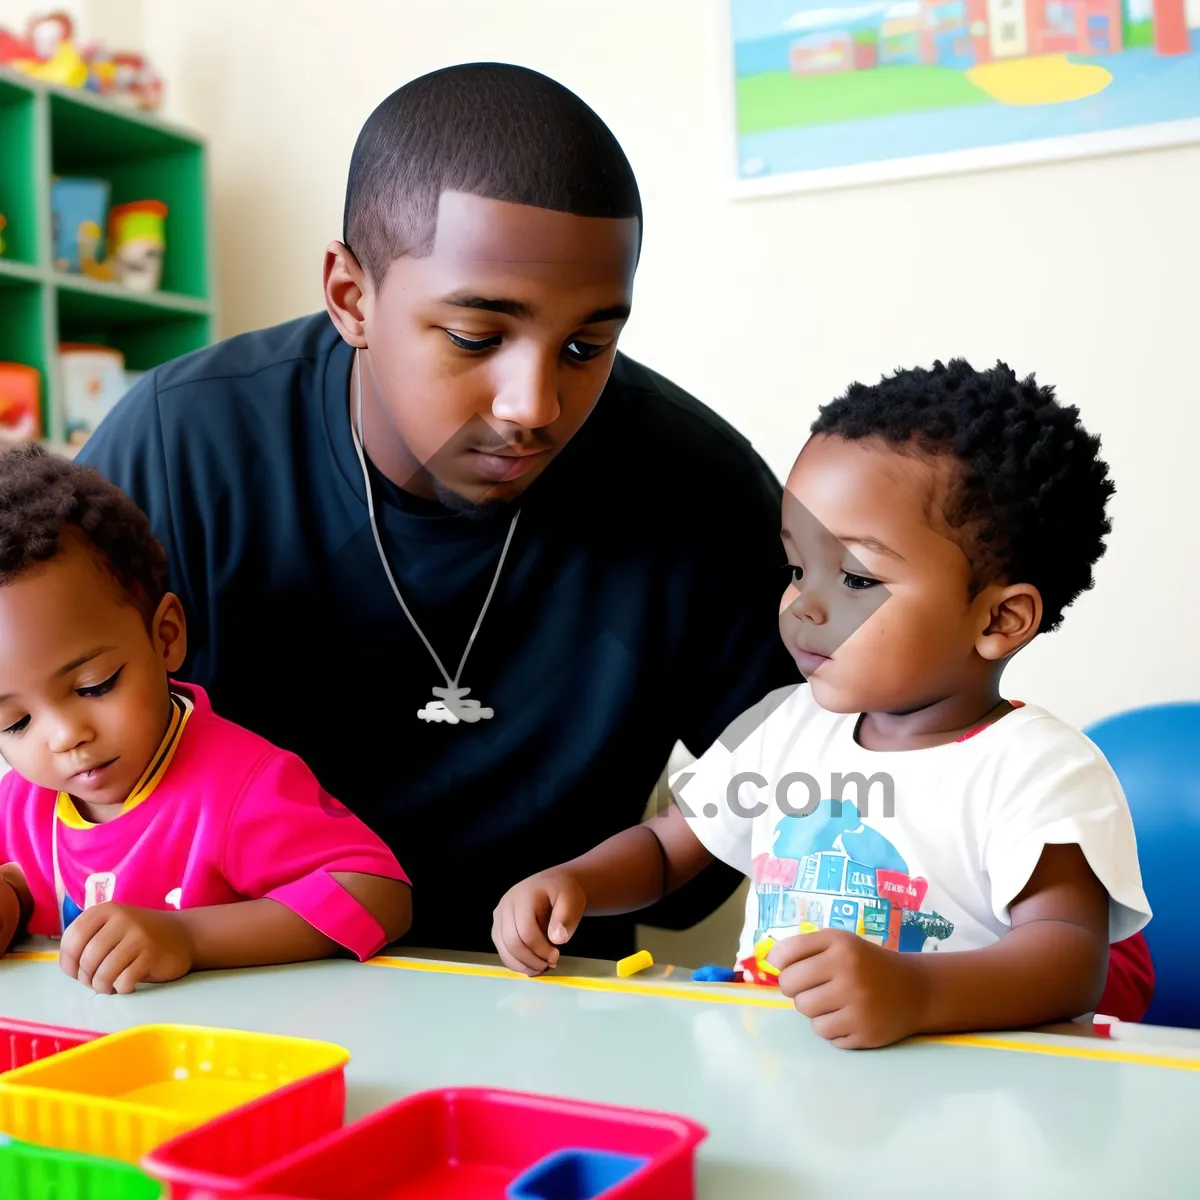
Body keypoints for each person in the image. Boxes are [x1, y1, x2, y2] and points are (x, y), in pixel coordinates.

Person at [73, 62, 797, 959]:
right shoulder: (182, 444)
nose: (535, 404)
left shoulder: (698, 483)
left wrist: (645, 870)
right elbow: (40, 720)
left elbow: (810, 762)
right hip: (225, 979)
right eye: (475, 337)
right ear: (351, 297)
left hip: (553, 995)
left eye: (586, 344)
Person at [492, 360, 1153, 1047]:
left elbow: (1067, 963)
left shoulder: (1039, 771)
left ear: (998, 621)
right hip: (778, 1080)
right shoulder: (782, 727)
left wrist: (917, 993)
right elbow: (665, 851)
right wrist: (574, 882)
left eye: (856, 578)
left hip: (954, 1105)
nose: (802, 605)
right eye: (797, 568)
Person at [0, 446, 412, 994]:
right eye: (15, 723)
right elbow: (33, 877)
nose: (65, 735)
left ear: (165, 636)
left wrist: (187, 937)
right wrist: (12, 894)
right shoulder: (25, 801)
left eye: (93, 686)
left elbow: (380, 896)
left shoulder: (239, 784)